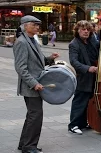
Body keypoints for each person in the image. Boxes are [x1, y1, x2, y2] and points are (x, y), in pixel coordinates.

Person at [13, 15, 59, 153]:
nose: (37, 27)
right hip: (31, 86)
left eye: (38, 25)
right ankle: (29, 147)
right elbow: (21, 68)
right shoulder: (21, 42)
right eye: (34, 25)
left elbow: (38, 62)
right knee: (35, 116)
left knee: (32, 116)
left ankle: (24, 144)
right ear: (25, 26)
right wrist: (34, 84)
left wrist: (50, 58)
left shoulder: (32, 40)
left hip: (37, 84)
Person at [68, 20, 101, 135]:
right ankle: (73, 125)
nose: (86, 32)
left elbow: (100, 49)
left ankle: (83, 123)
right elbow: (74, 62)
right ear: (77, 31)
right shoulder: (74, 44)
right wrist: (88, 68)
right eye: (83, 29)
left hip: (94, 77)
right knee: (80, 101)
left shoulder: (91, 41)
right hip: (83, 77)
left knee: (89, 101)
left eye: (88, 30)